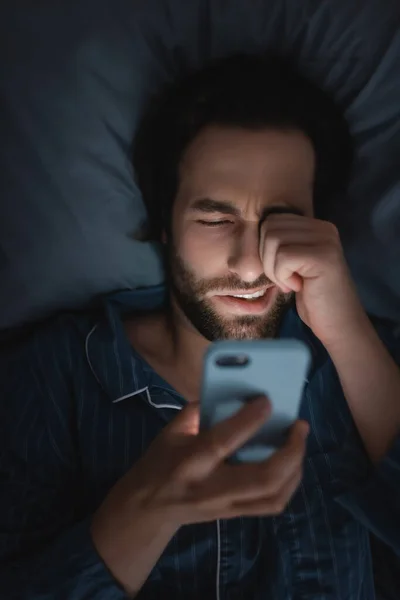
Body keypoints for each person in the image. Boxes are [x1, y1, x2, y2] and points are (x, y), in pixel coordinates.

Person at [0, 54, 399, 600]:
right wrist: (140, 513)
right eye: (215, 220)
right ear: (164, 224)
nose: (252, 265)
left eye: (283, 220)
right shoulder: (52, 379)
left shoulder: (369, 364)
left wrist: (348, 331)